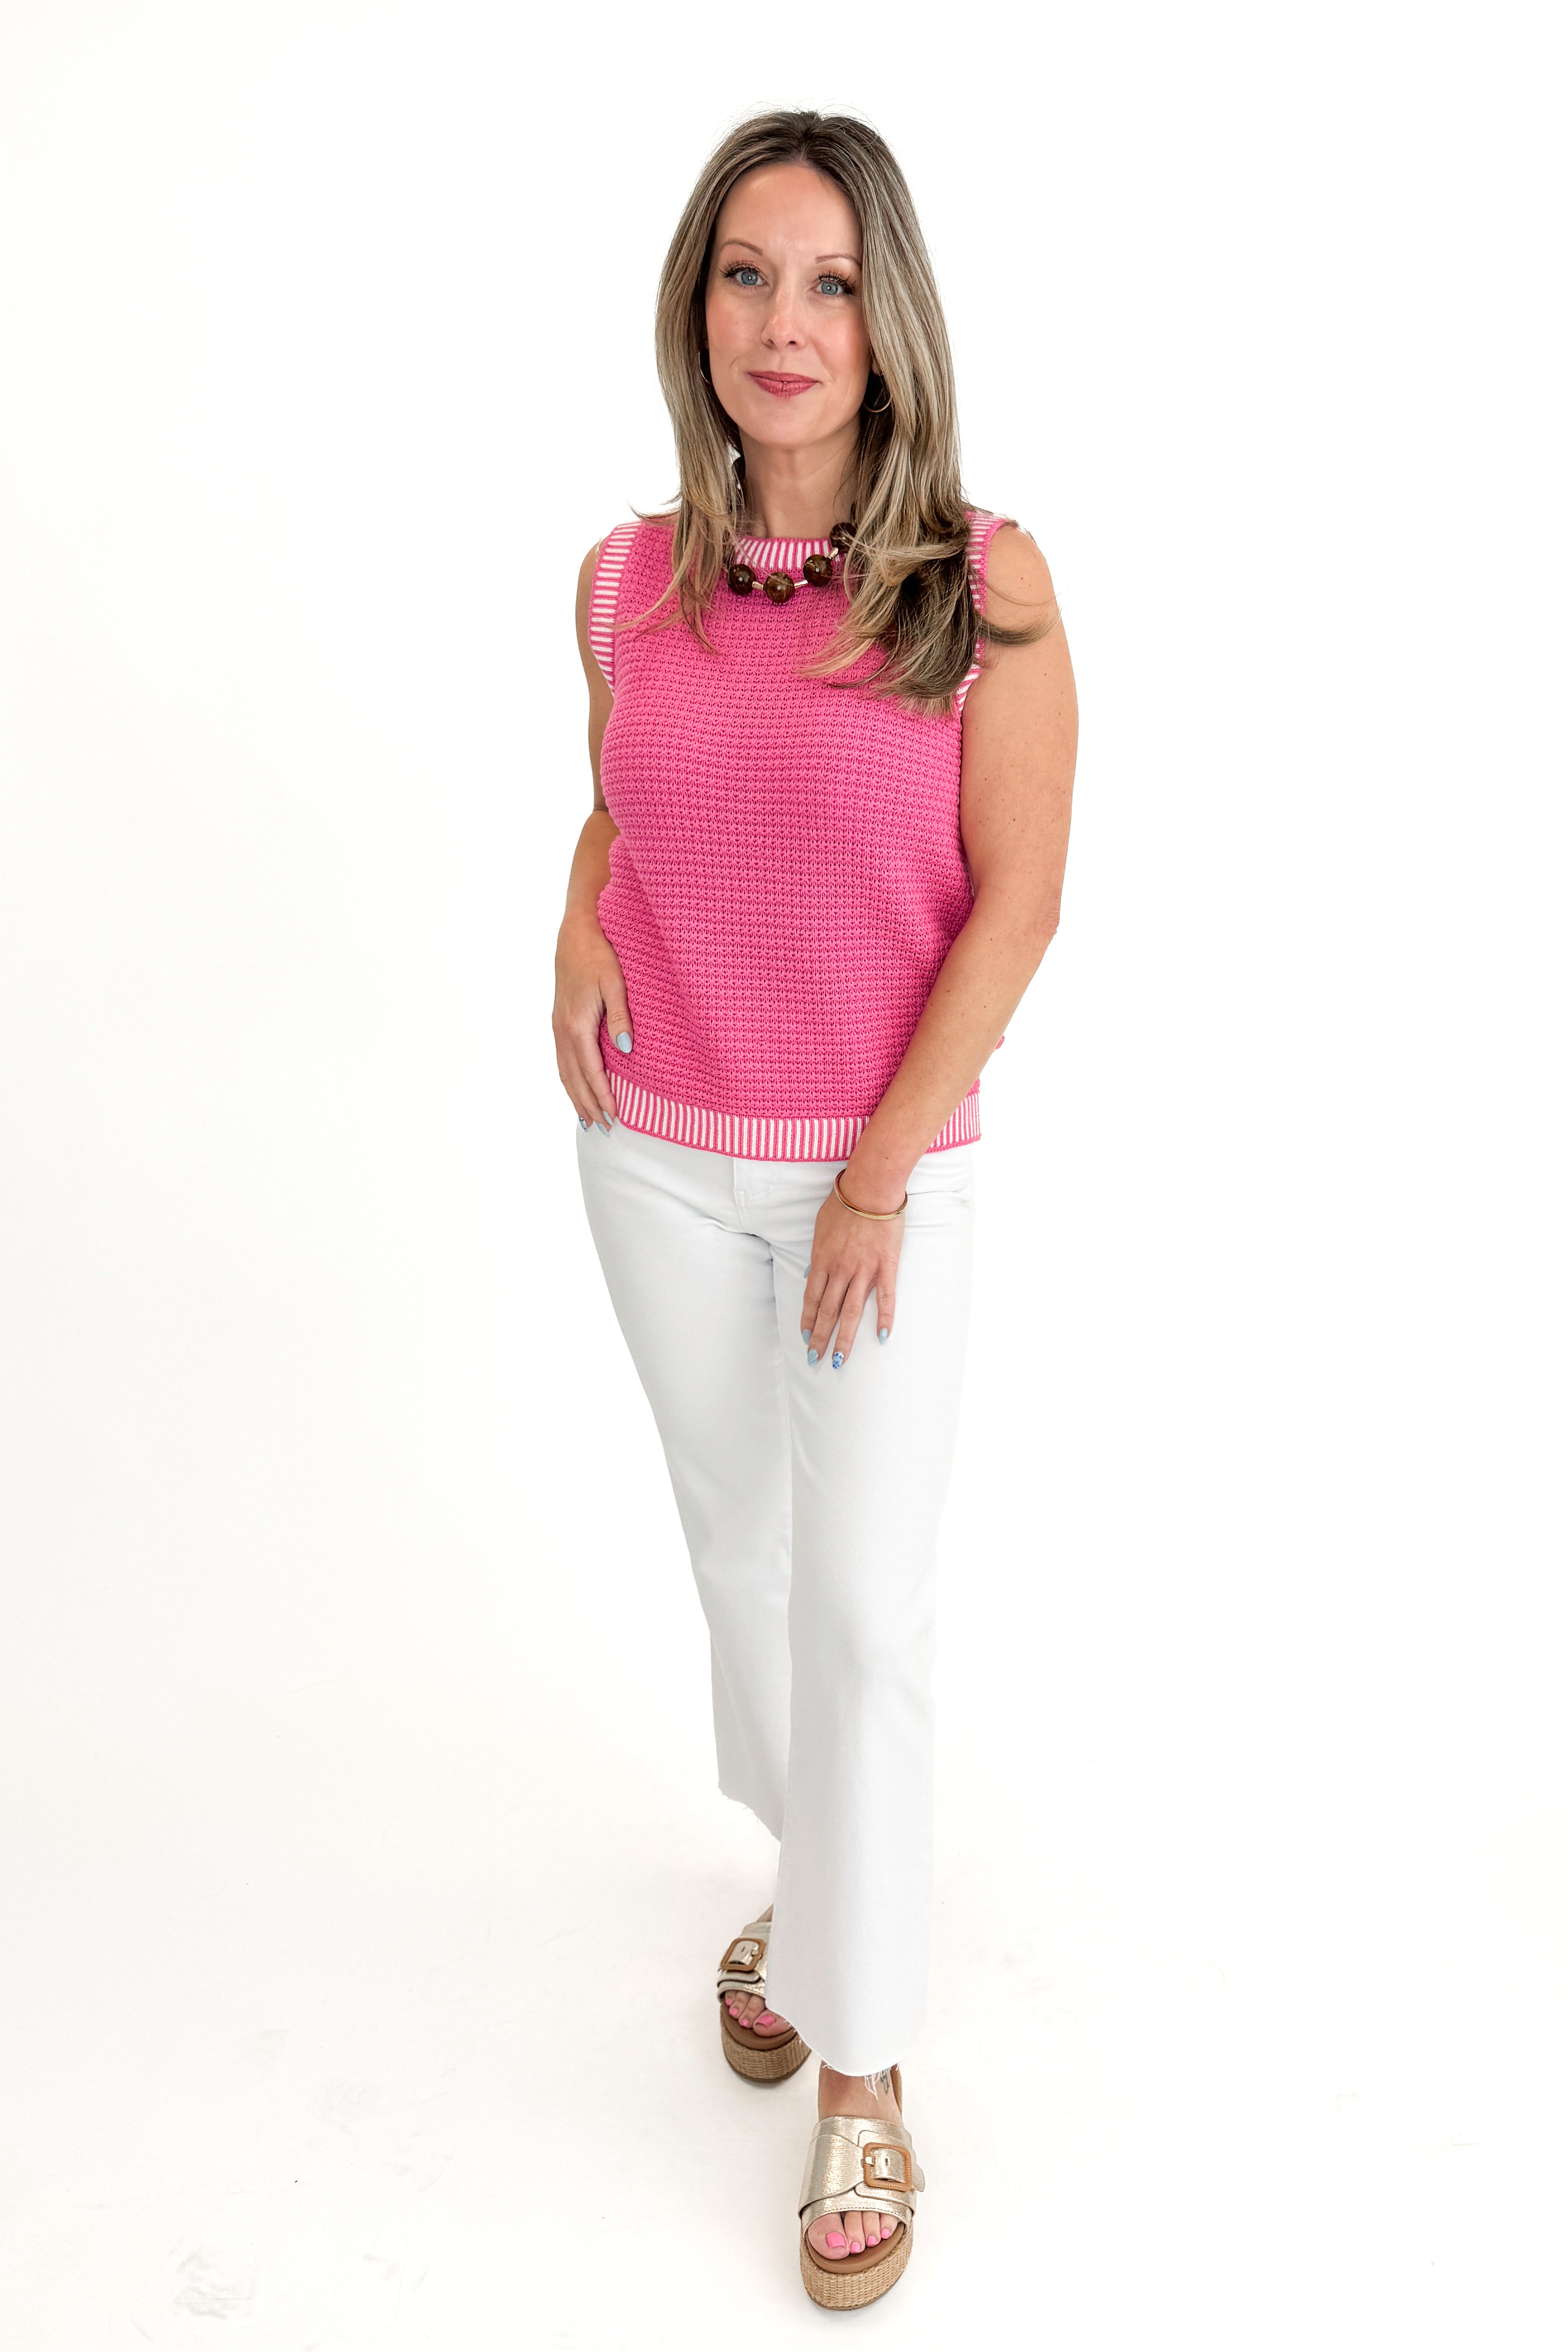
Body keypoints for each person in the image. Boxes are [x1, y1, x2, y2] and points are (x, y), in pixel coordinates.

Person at [552, 108, 1077, 2310]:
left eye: (833, 283)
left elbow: (1019, 904)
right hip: (658, 1153)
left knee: (860, 1610)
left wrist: (872, 1176)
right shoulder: (624, 581)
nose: (787, 323)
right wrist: (573, 919)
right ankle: (814, 1875)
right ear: (699, 309)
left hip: (882, 1179)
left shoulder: (986, 581)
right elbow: (636, 797)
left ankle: (863, 2062)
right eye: (749, 276)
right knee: (749, 1569)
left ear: (890, 325)